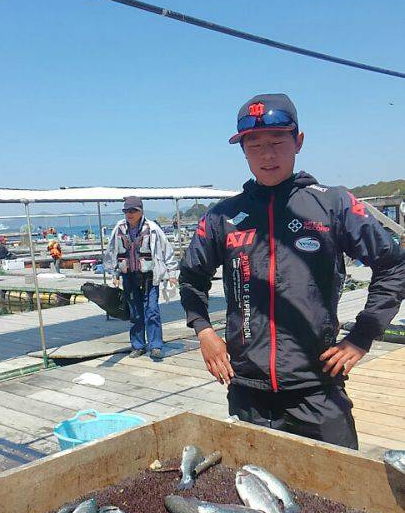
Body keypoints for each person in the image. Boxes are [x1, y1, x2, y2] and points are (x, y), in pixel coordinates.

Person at [179, 93, 405, 449]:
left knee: (341, 494)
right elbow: (191, 277)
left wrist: (361, 338)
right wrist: (204, 331)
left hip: (318, 387)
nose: (266, 155)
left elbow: (394, 265)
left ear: (298, 142)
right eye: (254, 146)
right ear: (243, 151)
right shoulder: (221, 216)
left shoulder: (333, 203)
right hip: (246, 390)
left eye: (277, 142)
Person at [108, 196, 178, 359]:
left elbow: (166, 250)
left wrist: (172, 273)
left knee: (152, 310)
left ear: (141, 211)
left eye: (133, 210)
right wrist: (115, 273)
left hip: (149, 276)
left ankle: (155, 345)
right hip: (129, 277)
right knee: (135, 312)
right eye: (126, 211)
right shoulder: (119, 228)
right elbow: (112, 252)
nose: (129, 214)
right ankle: (138, 345)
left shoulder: (152, 228)